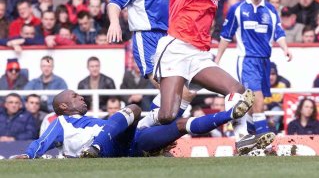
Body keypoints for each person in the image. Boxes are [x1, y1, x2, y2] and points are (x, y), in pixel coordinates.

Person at [152, 0, 274, 153]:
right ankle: (138, 132)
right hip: (176, 48)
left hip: (198, 53)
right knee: (167, 115)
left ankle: (242, 139)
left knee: (238, 91)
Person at [14, 88, 257, 158]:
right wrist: (28, 155)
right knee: (133, 108)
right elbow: (42, 141)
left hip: (129, 146)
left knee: (180, 126)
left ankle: (231, 115)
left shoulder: (95, 121)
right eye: (75, 96)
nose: (81, 97)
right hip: (107, 148)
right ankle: (96, 148)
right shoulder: (62, 122)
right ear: (64, 106)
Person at [216, 0, 292, 135]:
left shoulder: (271, 10)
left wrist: (285, 48)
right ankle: (264, 140)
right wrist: (218, 59)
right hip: (247, 60)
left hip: (265, 61)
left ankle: (248, 133)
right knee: (257, 99)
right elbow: (226, 35)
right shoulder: (237, 9)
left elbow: (278, 32)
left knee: (254, 105)